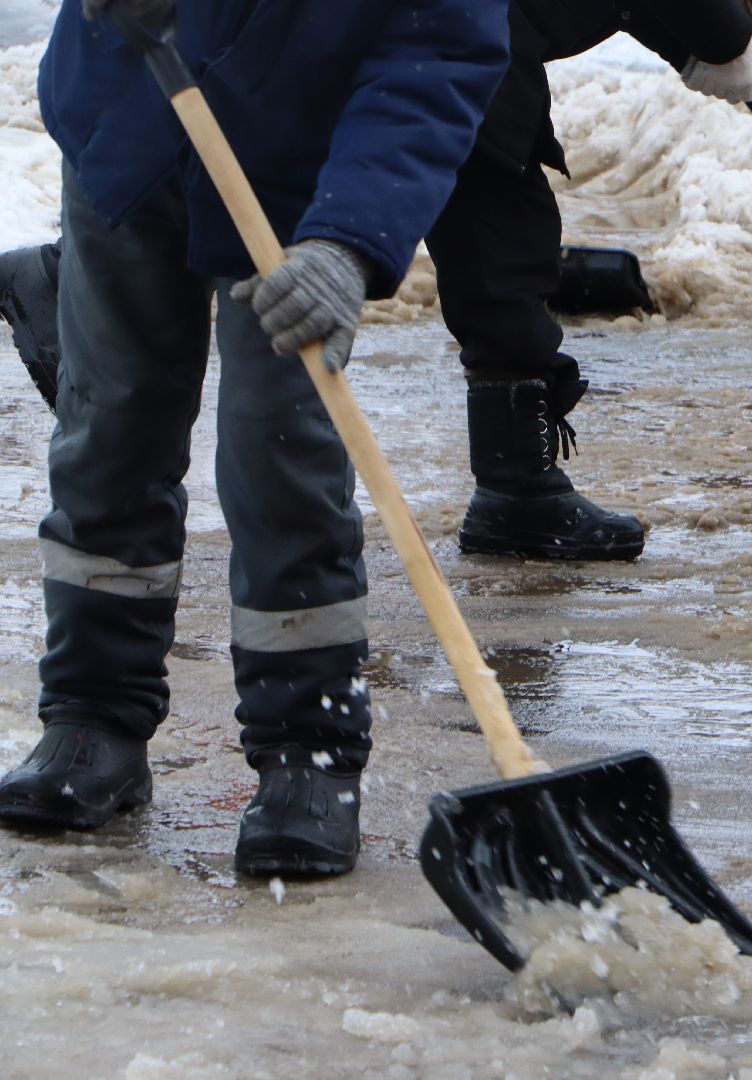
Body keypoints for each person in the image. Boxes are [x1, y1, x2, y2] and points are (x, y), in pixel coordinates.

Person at [0, 0, 509, 878]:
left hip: (300, 178)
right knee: (111, 425)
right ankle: (91, 715)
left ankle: (307, 751)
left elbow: (439, 56)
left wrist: (350, 241)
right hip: (132, 107)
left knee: (281, 450)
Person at [0, 0, 752, 563]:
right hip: (320, 59)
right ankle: (515, 486)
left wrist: (709, 42)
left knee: (477, 168)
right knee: (481, 191)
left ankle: (512, 485)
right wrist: (720, 39)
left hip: (426, 39)